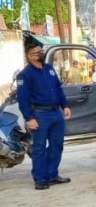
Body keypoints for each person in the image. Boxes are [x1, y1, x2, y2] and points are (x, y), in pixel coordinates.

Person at [16, 40, 72, 191]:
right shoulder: (25, 75)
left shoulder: (49, 69)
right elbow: (23, 99)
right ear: (29, 56)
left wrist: (65, 105)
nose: (41, 54)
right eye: (37, 53)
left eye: (41, 51)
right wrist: (29, 118)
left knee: (57, 145)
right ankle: (40, 179)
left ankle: (52, 175)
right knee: (39, 148)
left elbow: (58, 89)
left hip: (56, 113)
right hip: (40, 115)